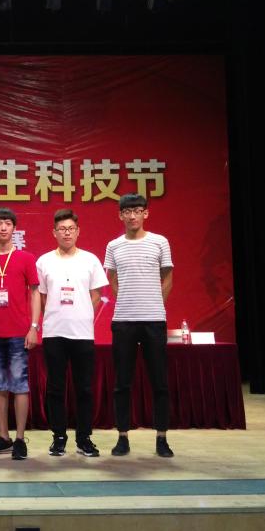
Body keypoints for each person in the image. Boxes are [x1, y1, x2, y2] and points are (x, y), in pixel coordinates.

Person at [104, 193, 175, 458]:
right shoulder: (114, 245)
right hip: (123, 321)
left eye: (137, 210)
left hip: (154, 320)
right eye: (127, 211)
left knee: (159, 382)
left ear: (146, 213)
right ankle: (122, 437)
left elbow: (168, 278)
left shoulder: (160, 242)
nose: (132, 215)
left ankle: (162, 438)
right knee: (122, 382)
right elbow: (112, 279)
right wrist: (128, 300)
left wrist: (154, 303)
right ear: (120, 215)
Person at [35, 208, 108, 457]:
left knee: (84, 388)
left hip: (82, 333)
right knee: (55, 388)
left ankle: (84, 438)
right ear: (54, 232)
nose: (66, 233)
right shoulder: (44, 261)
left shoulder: (90, 260)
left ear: (78, 231)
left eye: (71, 229)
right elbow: (42, 296)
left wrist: (83, 313)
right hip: (54, 332)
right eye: (62, 229)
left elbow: (96, 295)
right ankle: (58, 437)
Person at [0, 208, 40, 460]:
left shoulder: (26, 258)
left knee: (20, 386)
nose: (3, 228)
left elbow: (34, 293)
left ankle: (20, 439)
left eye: (8, 223)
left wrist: (34, 327)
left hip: (19, 333)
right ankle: (4, 437)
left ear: (14, 228)